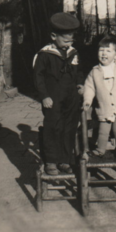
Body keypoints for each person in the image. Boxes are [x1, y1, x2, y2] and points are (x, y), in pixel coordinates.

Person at [33, 12, 84, 175]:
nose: (68, 43)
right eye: (65, 40)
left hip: (71, 97)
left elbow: (79, 71)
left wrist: (80, 84)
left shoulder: (73, 52)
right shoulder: (45, 55)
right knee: (53, 127)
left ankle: (65, 160)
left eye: (71, 40)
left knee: (69, 127)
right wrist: (44, 96)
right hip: (53, 97)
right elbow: (38, 77)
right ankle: (51, 161)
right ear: (54, 36)